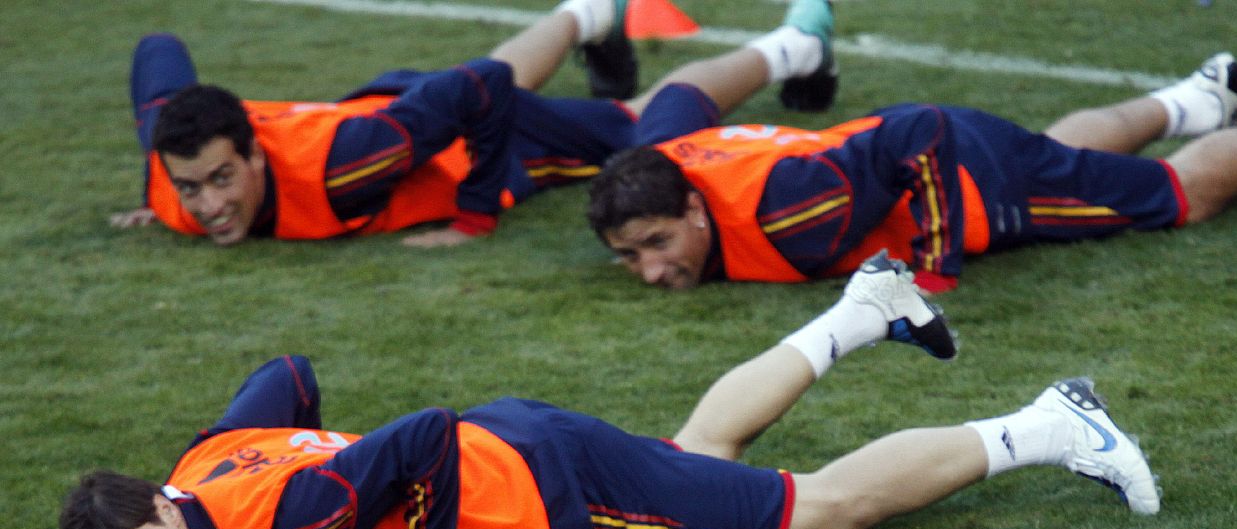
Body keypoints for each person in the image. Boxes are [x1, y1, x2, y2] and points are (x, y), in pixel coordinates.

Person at [59, 255, 1162, 529]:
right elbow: (285, 374)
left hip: (551, 487)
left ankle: (1047, 426)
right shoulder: (203, 464)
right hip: (529, 445)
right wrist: (323, 447)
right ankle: (861, 310)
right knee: (699, 463)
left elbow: (423, 434)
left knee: (814, 513)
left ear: (162, 508)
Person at [586, 58, 1237, 291]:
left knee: (1175, 197)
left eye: (657, 244)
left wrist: (934, 271)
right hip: (934, 148)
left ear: (696, 207)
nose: (651, 270)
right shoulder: (656, 152)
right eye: (629, 256)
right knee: (1058, 153)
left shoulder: (786, 217)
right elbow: (682, 92)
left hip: (969, 180)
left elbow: (920, 132)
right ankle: (1196, 100)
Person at [112, 0, 839, 248]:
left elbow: (485, 88)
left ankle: (796, 44)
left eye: (220, 179)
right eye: (189, 188)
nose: (205, 205)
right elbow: (157, 48)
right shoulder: (168, 158)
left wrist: (474, 217)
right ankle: (589, 14)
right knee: (475, 84)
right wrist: (161, 194)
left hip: (466, 137)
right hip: (401, 112)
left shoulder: (346, 169)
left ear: (257, 158)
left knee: (636, 137)